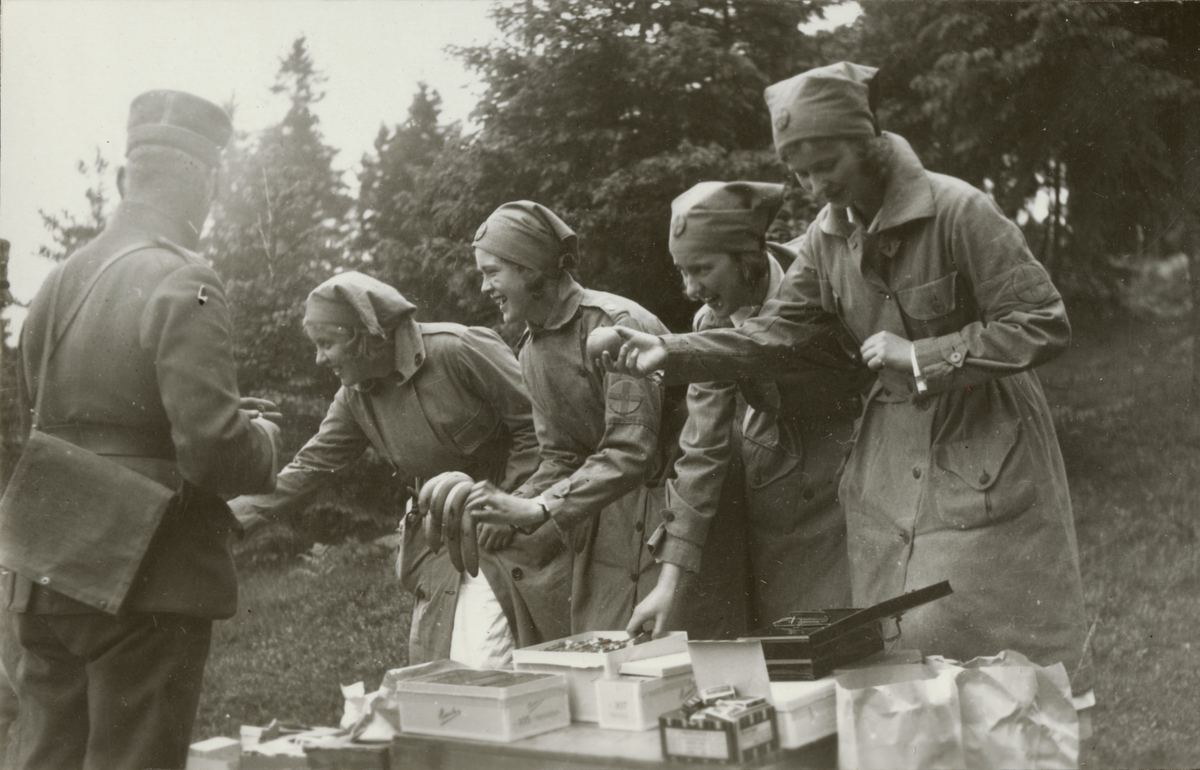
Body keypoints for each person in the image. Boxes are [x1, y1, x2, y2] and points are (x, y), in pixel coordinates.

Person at [600, 62, 1093, 690]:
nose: (815, 186)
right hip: (890, 466)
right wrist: (670, 351)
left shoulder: (959, 210)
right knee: (905, 654)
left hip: (986, 446)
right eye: (800, 172)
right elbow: (779, 331)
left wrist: (924, 356)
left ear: (868, 141)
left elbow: (1043, 321)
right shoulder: (826, 237)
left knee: (1003, 649)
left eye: (826, 164)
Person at [1, 91, 282, 770]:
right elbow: (213, 451)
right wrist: (265, 439)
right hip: (145, 575)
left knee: (46, 758)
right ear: (204, 184)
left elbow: (48, 420)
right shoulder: (185, 277)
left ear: (127, 177)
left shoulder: (56, 282)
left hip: (46, 567)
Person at [230, 271, 570, 668]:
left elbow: (542, 429)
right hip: (444, 543)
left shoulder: (459, 349)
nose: (320, 359)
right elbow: (310, 467)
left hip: (518, 527)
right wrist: (228, 518)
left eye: (326, 344)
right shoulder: (355, 397)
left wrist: (512, 502)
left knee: (491, 661)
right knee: (443, 666)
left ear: (361, 335)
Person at [464, 202, 698, 638]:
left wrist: (539, 507)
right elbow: (561, 457)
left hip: (678, 522)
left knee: (679, 653)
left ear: (530, 268)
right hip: (609, 531)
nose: (484, 287)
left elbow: (632, 450)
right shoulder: (530, 352)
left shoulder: (615, 325)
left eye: (492, 272)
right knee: (607, 651)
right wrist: (510, 506)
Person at [665, 181, 871, 627]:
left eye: (701, 269)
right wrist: (669, 582)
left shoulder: (824, 276)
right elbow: (701, 448)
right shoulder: (711, 325)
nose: (690, 288)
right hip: (784, 513)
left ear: (747, 257)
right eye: (682, 271)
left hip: (858, 485)